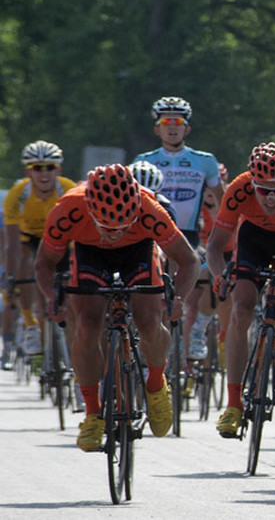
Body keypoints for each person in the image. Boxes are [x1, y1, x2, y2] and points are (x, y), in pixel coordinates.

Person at [34, 164, 200, 450]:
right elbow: (44, 264)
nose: (114, 233)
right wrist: (53, 297)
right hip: (90, 252)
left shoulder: (150, 209)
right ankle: (92, 413)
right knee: (86, 325)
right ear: (90, 208)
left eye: (122, 225)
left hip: (138, 250)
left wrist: (178, 298)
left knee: (149, 320)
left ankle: (157, 384)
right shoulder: (69, 208)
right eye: (107, 226)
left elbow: (189, 260)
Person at [205, 143, 275, 437]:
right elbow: (215, 247)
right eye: (262, 189)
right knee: (241, 310)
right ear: (251, 182)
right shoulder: (239, 189)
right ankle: (233, 404)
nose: (269, 197)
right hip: (253, 241)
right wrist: (218, 277)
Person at [131, 97, 224, 366]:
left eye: (178, 122)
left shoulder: (204, 161)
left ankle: (198, 330)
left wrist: (223, 238)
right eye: (166, 122)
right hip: (152, 235)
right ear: (157, 129)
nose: (172, 127)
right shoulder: (142, 161)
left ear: (187, 129)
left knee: (214, 274)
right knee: (153, 285)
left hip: (188, 236)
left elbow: (221, 204)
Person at [4, 141, 74, 361]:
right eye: (37, 168)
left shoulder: (69, 190)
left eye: (49, 167)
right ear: (28, 171)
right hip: (29, 239)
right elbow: (12, 244)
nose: (44, 173)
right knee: (25, 262)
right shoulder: (17, 194)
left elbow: (81, 235)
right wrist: (12, 276)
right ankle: (30, 324)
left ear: (58, 169)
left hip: (62, 241)